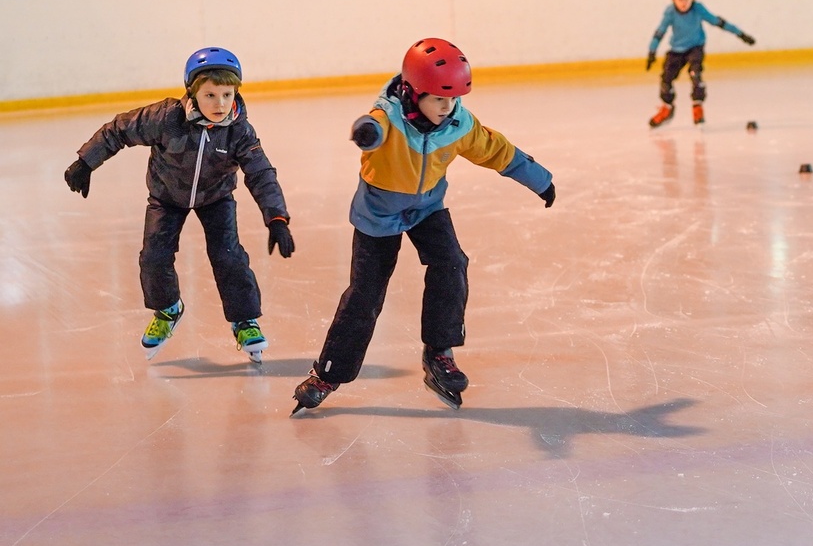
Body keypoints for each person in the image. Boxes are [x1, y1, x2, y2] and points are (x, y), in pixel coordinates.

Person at [292, 37, 556, 415]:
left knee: (451, 263)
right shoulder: (389, 119)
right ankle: (328, 373)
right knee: (366, 294)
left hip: (427, 207)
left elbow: (496, 149)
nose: (447, 107)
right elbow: (374, 124)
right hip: (379, 214)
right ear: (413, 94)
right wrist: (366, 132)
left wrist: (540, 179)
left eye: (452, 99)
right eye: (438, 99)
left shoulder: (458, 124)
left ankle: (438, 352)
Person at [63, 47, 294, 362]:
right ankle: (167, 308)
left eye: (227, 94)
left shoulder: (239, 131)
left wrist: (277, 218)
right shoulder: (166, 117)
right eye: (210, 95)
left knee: (229, 257)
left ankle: (244, 319)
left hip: (216, 197)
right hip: (167, 196)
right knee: (154, 257)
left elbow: (261, 173)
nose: (220, 104)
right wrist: (85, 162)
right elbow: (119, 130)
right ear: (193, 93)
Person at [645, 0, 755, 127]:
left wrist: (740, 34)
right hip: (676, 50)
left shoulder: (698, 9)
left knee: (695, 74)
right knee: (666, 79)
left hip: (695, 47)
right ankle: (667, 108)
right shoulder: (670, 12)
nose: (683, 3)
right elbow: (660, 31)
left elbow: (717, 22)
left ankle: (697, 106)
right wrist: (652, 51)